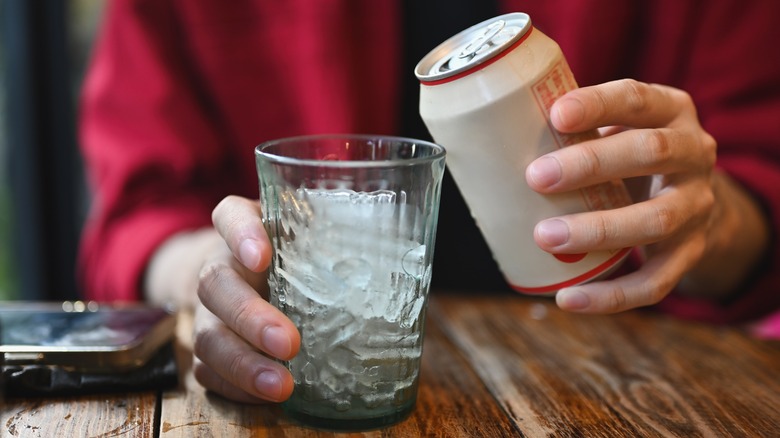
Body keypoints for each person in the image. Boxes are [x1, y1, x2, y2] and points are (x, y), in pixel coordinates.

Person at [77, 1, 780, 403]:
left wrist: (709, 223)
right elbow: (137, 212)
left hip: (634, 387)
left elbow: (760, 175)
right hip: (311, 378)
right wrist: (213, 272)